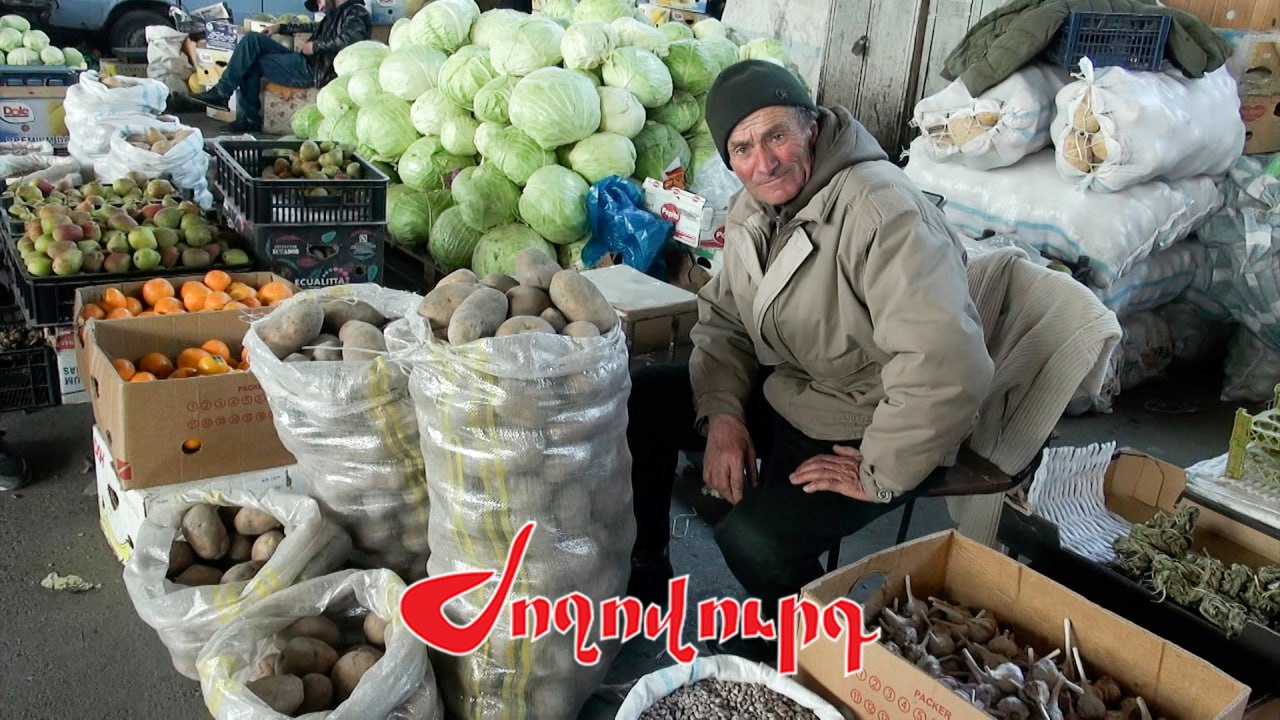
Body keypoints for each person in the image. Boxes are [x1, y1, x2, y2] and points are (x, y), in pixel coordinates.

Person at [625, 60, 995, 641]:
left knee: (756, 542)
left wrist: (879, 470)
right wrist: (722, 416)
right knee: (643, 399)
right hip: (796, 391)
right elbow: (726, 319)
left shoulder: (882, 211)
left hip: (872, 420)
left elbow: (948, 363)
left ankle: (817, 646)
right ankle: (645, 578)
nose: (764, 162)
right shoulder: (755, 207)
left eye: (777, 135)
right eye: (742, 148)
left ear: (812, 127)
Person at [190, 0, 372, 132]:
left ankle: (243, 113)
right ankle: (223, 93)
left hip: (315, 70)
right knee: (253, 40)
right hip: (306, 61)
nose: (320, 8)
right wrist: (280, 27)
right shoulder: (335, 13)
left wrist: (316, 46)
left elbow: (352, 39)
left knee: (252, 60)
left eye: (319, 2)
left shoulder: (356, 12)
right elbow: (313, 26)